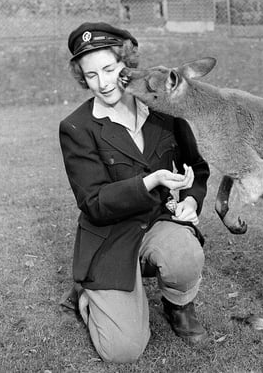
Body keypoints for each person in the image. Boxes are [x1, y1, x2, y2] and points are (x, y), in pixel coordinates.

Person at [58, 22, 211, 363]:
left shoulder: (164, 110)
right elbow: (94, 203)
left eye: (110, 69)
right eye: (92, 74)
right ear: (83, 77)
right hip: (111, 236)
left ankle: (178, 305)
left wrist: (190, 200)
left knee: (183, 255)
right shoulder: (76, 127)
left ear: (126, 63)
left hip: (159, 223)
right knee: (122, 352)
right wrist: (150, 181)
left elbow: (197, 169)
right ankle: (89, 291)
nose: (104, 82)